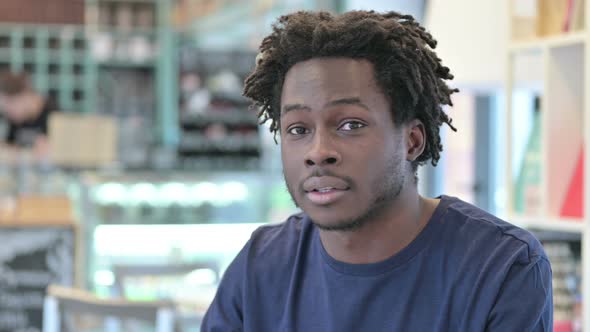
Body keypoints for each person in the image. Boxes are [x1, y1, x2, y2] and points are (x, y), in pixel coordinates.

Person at [201, 10, 552, 332]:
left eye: (351, 124)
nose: (318, 152)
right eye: (298, 129)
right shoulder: (260, 266)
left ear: (412, 141)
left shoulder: (502, 267)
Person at [0, 72, 56, 151]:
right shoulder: (15, 119)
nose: (8, 111)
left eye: (11, 104)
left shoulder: (54, 115)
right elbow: (11, 145)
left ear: (26, 95)